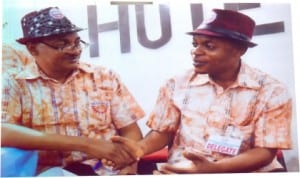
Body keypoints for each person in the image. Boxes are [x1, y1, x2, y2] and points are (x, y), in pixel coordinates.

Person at [111, 8, 293, 173]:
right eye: (195, 44)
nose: (196, 52)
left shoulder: (271, 91)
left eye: (209, 46)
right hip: (184, 171)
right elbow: (162, 132)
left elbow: (264, 152)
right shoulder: (176, 84)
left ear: (240, 49)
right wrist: (140, 148)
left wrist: (213, 169)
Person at [1, 7, 145, 175]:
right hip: (46, 172)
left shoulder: (104, 77)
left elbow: (130, 130)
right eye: (62, 44)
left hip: (106, 172)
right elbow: (3, 131)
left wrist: (128, 166)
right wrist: (86, 144)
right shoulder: (14, 83)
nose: (74, 50)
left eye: (77, 42)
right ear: (33, 49)